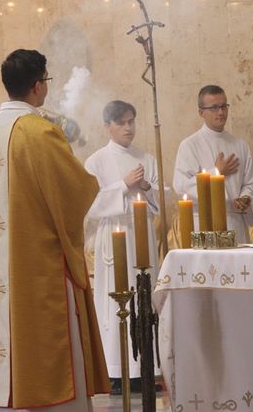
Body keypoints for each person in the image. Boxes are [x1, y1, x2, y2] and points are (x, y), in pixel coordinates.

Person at [0, 49, 109, 410]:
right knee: (49, 352)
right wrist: (92, 183)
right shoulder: (41, 132)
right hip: (39, 265)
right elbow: (75, 191)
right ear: (36, 86)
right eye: (46, 80)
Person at [84, 100, 159, 393]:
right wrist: (123, 185)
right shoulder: (96, 161)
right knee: (114, 299)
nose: (128, 128)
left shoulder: (146, 158)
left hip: (141, 234)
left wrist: (147, 189)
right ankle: (115, 371)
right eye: (121, 123)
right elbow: (90, 204)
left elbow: (159, 199)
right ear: (108, 126)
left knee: (144, 295)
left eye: (131, 121)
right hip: (114, 235)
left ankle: (146, 370)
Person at [173, 85, 253, 244]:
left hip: (235, 224)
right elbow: (181, 186)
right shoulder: (190, 145)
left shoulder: (240, 145)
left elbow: (252, 183)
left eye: (223, 106)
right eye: (214, 108)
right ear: (201, 112)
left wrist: (245, 198)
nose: (221, 112)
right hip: (205, 226)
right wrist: (216, 173)